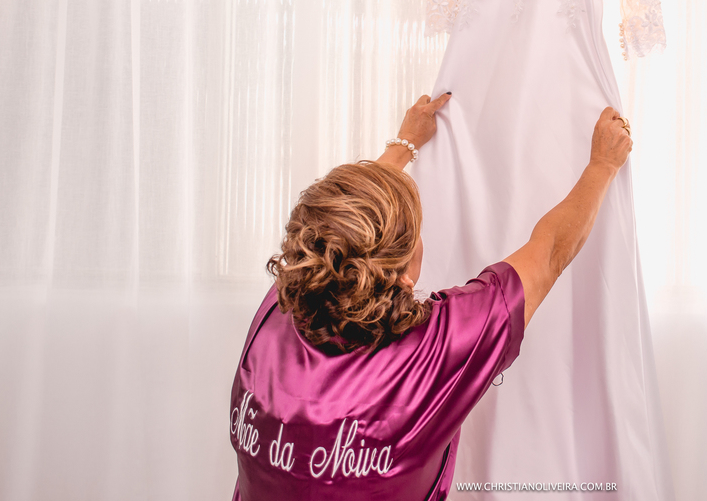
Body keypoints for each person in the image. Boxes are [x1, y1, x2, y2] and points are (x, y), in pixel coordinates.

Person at [229, 92, 633, 501]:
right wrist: (602, 165)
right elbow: (548, 253)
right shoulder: (442, 345)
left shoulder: (279, 308)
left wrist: (403, 144)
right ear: (404, 270)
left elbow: (340, 231)